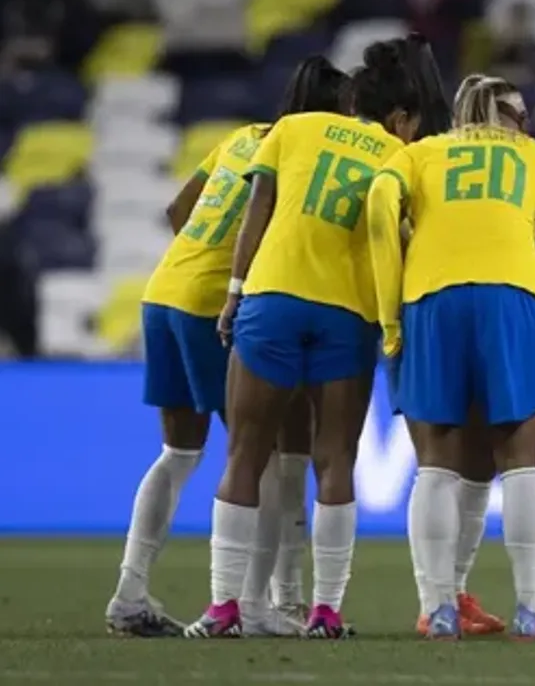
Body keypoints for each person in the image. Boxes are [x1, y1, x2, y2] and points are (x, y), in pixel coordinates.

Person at [184, 43, 422, 640]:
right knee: (335, 459)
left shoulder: (291, 128)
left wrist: (235, 292)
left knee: (246, 453)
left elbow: (257, 207)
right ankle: (325, 611)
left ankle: (224, 608)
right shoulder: (396, 153)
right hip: (349, 312)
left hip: (275, 298)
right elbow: (397, 235)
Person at [108, 56, 347, 637]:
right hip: (211, 307)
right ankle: (255, 604)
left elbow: (177, 210)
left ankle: (130, 592)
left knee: (180, 452)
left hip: (163, 291)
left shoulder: (242, 139)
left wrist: (202, 261)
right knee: (255, 456)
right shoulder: (305, 156)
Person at [367, 76, 535, 640]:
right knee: (521, 458)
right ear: (502, 115)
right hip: (514, 294)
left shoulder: (423, 153)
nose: (526, 124)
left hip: (431, 296)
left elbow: (380, 200)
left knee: (435, 462)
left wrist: (390, 311)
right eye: (520, 113)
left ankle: (437, 608)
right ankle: (531, 609)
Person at [405, 70, 510, 637]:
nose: (521, 127)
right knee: (438, 458)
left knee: (479, 464)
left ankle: (453, 593)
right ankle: (433, 602)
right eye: (511, 115)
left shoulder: (499, 173)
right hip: (429, 313)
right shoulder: (431, 161)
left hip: (465, 310)